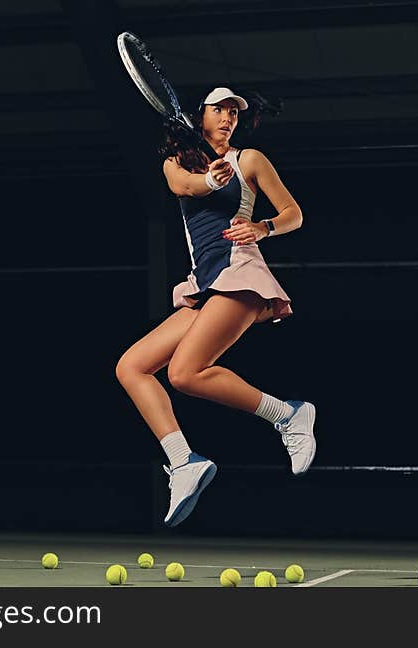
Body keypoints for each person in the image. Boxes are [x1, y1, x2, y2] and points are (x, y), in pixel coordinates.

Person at [115, 87, 316, 528]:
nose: (228, 118)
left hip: (240, 274)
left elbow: (293, 213)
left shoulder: (250, 160)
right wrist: (211, 180)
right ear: (198, 115)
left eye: (233, 112)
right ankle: (183, 461)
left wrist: (263, 227)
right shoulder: (178, 162)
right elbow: (184, 186)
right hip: (205, 283)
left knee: (184, 373)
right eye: (219, 110)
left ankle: (289, 416)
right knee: (131, 367)